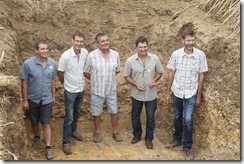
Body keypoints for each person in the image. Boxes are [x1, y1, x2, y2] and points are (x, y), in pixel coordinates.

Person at [165, 29, 208, 160]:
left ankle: (187, 147)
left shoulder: (200, 55)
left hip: (191, 93)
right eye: (188, 40)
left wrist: (199, 96)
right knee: (177, 116)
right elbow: (171, 73)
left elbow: (201, 76)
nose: (190, 43)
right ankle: (177, 139)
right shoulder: (176, 55)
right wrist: (168, 93)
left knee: (188, 120)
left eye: (192, 40)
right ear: (182, 40)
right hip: (177, 91)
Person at [124, 36, 163, 149]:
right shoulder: (130, 61)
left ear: (148, 46)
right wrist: (136, 84)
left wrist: (154, 80)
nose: (143, 49)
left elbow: (160, 72)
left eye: (145, 47)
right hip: (137, 94)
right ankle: (137, 135)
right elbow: (126, 76)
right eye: (140, 47)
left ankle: (149, 139)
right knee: (135, 116)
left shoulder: (155, 59)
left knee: (150, 117)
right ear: (136, 47)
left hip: (151, 94)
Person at [21, 40, 57, 160]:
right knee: (35, 121)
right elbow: (24, 82)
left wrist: (53, 96)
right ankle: (37, 136)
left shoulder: (52, 63)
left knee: (46, 123)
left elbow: (53, 81)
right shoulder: (28, 64)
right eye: (42, 49)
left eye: (46, 49)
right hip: (33, 99)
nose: (45, 51)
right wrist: (25, 100)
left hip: (47, 99)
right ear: (36, 50)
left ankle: (48, 148)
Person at [83, 33, 122, 143]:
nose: (106, 43)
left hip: (111, 89)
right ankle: (97, 132)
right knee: (96, 112)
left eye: (107, 40)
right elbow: (86, 72)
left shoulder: (115, 55)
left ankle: (115, 132)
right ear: (97, 44)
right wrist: (95, 80)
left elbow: (117, 70)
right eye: (103, 41)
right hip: (97, 90)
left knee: (114, 111)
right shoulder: (91, 56)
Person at [58, 31, 88, 155]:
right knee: (69, 116)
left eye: (81, 41)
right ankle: (66, 142)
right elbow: (60, 73)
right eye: (77, 41)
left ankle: (73, 131)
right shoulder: (66, 56)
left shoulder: (85, 53)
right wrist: (66, 84)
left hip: (81, 88)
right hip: (70, 90)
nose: (79, 43)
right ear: (72, 40)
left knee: (77, 112)